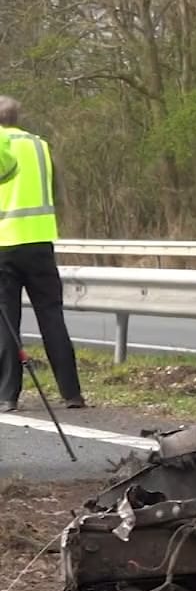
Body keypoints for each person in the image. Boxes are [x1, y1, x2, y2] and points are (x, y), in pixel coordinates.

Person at [0, 95, 85, 412]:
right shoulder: (40, 145)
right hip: (40, 242)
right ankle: (72, 393)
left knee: (7, 321)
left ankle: (7, 395)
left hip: (4, 244)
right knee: (52, 317)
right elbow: (53, 192)